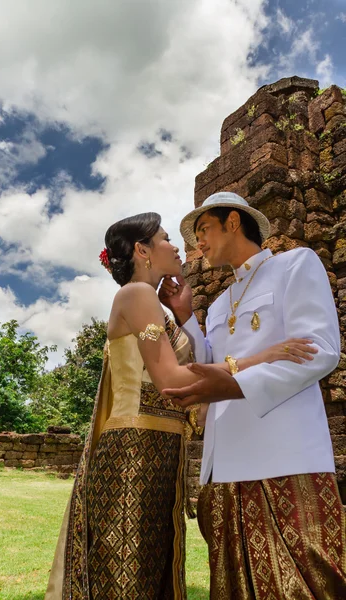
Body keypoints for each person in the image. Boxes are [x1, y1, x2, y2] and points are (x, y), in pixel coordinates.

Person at [45, 212, 317, 600]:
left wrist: (183, 312)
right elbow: (171, 380)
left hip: (159, 448)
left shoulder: (154, 304)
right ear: (143, 251)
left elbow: (194, 363)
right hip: (133, 451)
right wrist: (263, 357)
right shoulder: (136, 294)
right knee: (128, 570)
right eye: (166, 238)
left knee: (151, 566)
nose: (177, 246)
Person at [159, 191, 346, 599]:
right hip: (225, 461)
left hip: (286, 454)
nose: (198, 243)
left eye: (203, 229)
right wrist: (186, 315)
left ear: (233, 221)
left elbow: (320, 351)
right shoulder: (224, 299)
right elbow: (214, 361)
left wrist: (234, 383)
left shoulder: (296, 265)